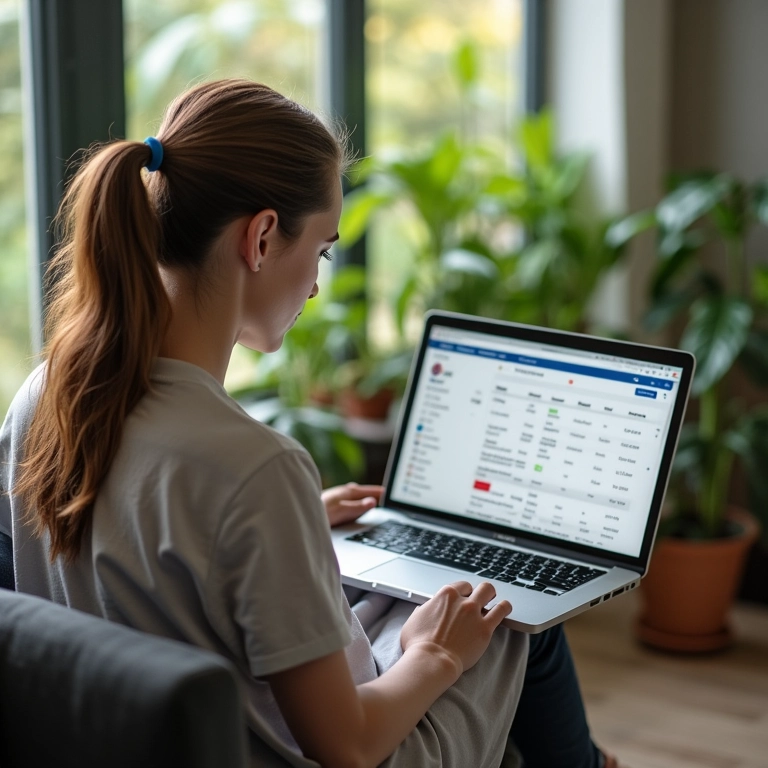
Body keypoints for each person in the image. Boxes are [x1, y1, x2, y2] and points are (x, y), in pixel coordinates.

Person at [0, 79, 616, 768]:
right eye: (323, 249)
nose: (318, 284)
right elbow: (348, 747)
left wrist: (292, 526)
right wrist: (436, 656)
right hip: (343, 751)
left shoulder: (46, 396)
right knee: (505, 611)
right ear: (262, 237)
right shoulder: (254, 469)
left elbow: (119, 547)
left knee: (407, 595)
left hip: (131, 742)